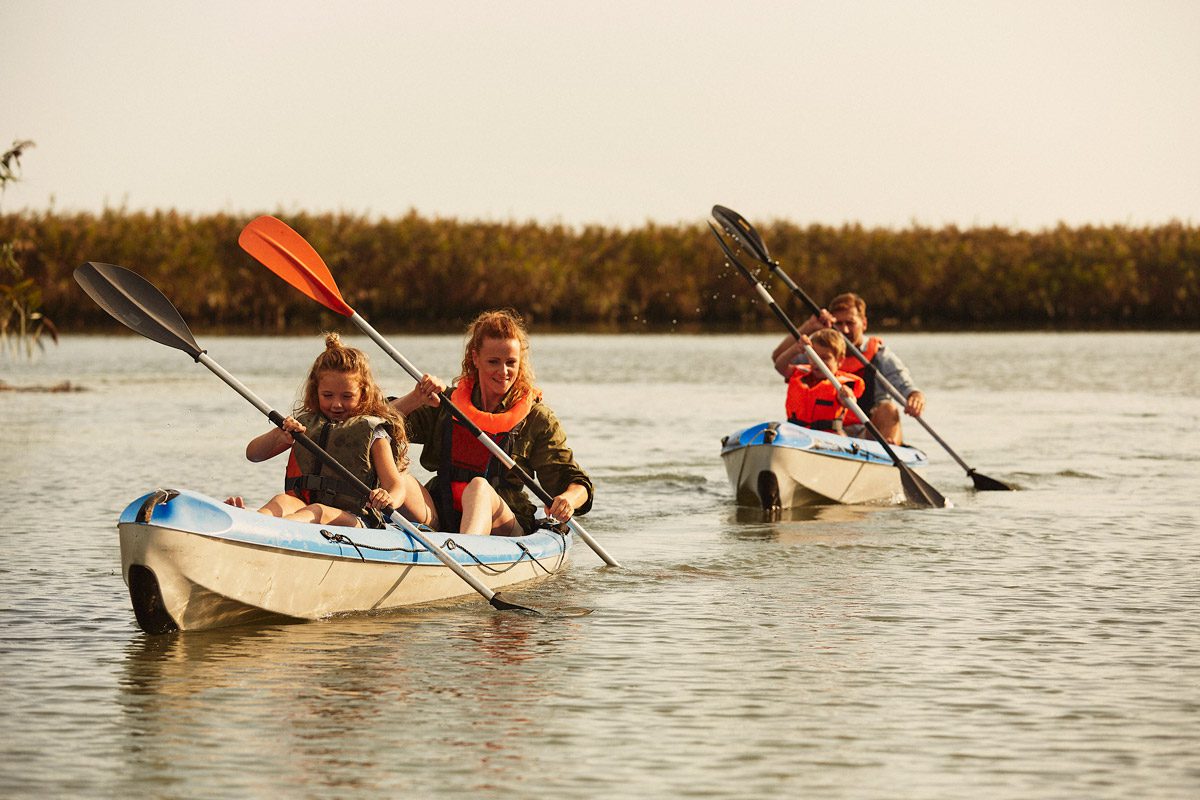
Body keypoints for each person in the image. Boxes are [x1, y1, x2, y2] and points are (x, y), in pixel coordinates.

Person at [390, 309, 593, 537]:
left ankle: (466, 553)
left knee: (478, 488)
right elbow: (377, 423)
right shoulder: (445, 404)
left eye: (511, 362)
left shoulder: (537, 419)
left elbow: (577, 483)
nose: (503, 371)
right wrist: (415, 398)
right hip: (442, 513)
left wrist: (568, 499)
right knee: (397, 478)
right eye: (494, 362)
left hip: (505, 524)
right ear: (475, 358)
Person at [227, 332, 426, 528]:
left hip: (357, 518)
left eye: (347, 396)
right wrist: (280, 434)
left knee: (317, 511)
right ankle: (252, 523)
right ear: (316, 392)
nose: (336, 404)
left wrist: (387, 497)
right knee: (282, 501)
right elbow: (253, 454)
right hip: (305, 506)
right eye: (328, 395)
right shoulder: (305, 425)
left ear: (364, 394)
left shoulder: (374, 433)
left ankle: (270, 529)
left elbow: (396, 486)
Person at [771, 292, 925, 444]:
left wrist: (915, 396)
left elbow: (904, 384)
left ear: (864, 323)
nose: (844, 330)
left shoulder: (879, 354)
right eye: (839, 323)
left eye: (850, 323)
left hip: (867, 434)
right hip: (822, 433)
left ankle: (887, 455)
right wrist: (808, 327)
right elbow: (779, 359)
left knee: (888, 409)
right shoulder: (819, 353)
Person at [784, 328, 865, 435]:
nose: (818, 362)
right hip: (797, 433)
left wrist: (847, 396)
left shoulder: (840, 385)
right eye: (814, 357)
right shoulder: (800, 374)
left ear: (839, 360)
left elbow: (849, 402)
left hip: (830, 437)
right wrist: (796, 349)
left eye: (825, 358)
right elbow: (780, 366)